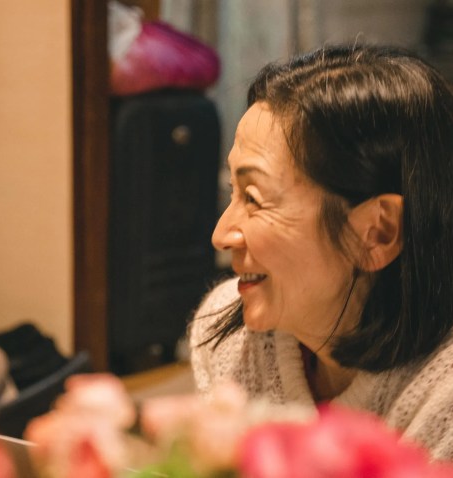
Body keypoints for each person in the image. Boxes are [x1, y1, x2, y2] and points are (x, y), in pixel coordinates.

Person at [189, 44, 453, 460]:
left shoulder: (443, 401)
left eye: (254, 198)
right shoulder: (228, 342)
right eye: (233, 192)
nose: (222, 235)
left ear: (378, 232)